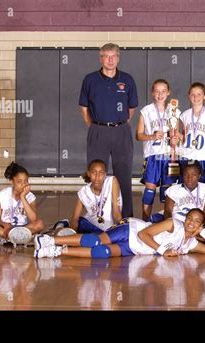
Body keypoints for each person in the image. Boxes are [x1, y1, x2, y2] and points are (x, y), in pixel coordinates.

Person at [79, 43, 138, 217]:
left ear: (118, 58)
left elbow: (131, 109)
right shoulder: (90, 79)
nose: (110, 60)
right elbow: (83, 108)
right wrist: (97, 127)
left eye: (113, 56)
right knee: (96, 176)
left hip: (121, 131)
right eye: (106, 56)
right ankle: (95, 216)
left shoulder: (127, 80)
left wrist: (117, 124)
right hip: (98, 130)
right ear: (101, 58)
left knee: (124, 176)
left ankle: (126, 219)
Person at [34, 208, 205, 259]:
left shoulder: (190, 244)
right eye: (190, 218)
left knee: (103, 254)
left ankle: (56, 251)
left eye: (196, 222)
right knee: (96, 241)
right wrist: (162, 250)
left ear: (201, 225)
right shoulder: (173, 224)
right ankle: (49, 239)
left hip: (134, 248)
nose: (191, 223)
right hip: (131, 230)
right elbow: (144, 235)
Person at [136, 79, 181, 221]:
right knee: (149, 191)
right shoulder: (146, 111)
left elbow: (178, 134)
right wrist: (152, 136)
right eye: (156, 91)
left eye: (163, 91)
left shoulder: (174, 111)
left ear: (168, 92)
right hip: (152, 156)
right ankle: (144, 222)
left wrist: (176, 139)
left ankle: (166, 224)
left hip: (170, 157)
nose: (160, 94)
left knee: (168, 193)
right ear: (152, 93)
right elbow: (138, 135)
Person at [0, 161, 44, 246]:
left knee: (40, 224)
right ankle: (17, 239)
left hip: (22, 228)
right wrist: (5, 224)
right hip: (5, 228)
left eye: (26, 181)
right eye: (19, 181)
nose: (23, 184)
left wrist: (23, 197)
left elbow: (34, 219)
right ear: (12, 182)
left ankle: (5, 239)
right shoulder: (2, 194)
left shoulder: (30, 196)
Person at [179, 82, 205, 189]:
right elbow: (183, 137)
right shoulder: (184, 115)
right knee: (185, 187)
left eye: (199, 94)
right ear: (189, 96)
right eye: (193, 94)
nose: (195, 97)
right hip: (186, 156)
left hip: (204, 157)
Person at [67, 159, 122, 235]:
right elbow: (75, 218)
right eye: (94, 173)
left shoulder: (111, 181)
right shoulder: (83, 192)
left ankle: (63, 224)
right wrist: (72, 234)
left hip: (108, 230)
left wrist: (120, 234)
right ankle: (62, 225)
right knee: (79, 223)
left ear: (105, 174)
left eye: (101, 173)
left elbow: (117, 215)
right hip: (91, 227)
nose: (97, 177)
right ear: (88, 174)